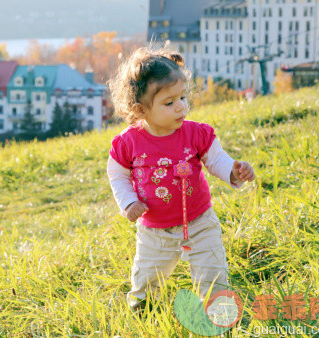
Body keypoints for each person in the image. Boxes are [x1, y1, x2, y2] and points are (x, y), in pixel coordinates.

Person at [106, 45, 255, 312]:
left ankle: (216, 310)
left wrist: (233, 170)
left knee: (212, 270)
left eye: (183, 97)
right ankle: (142, 308)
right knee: (148, 275)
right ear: (141, 109)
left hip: (200, 221)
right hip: (155, 230)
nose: (181, 107)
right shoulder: (128, 143)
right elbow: (117, 174)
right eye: (169, 102)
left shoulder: (195, 133)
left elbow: (215, 158)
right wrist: (128, 203)